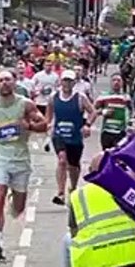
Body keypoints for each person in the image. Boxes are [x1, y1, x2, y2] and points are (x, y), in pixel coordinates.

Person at [0, 70, 47, 261]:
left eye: (8, 79)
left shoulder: (25, 104)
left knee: (18, 207)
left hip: (21, 159)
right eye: (0, 80)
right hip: (1, 158)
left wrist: (30, 126)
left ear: (15, 82)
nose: (4, 83)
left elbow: (44, 124)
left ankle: (14, 203)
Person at [48, 69, 96, 205]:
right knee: (62, 160)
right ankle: (60, 193)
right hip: (59, 135)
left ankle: (73, 188)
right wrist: (48, 126)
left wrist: (87, 125)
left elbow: (92, 112)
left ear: (74, 82)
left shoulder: (80, 97)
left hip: (75, 137)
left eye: (70, 81)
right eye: (65, 80)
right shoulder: (54, 97)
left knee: (73, 166)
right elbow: (49, 114)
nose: (67, 84)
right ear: (60, 81)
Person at [93, 73, 131, 151]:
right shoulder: (103, 96)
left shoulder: (126, 97)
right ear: (110, 82)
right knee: (106, 155)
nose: (116, 82)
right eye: (114, 80)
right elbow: (93, 110)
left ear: (122, 83)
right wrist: (104, 112)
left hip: (121, 132)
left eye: (119, 80)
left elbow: (131, 112)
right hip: (107, 132)